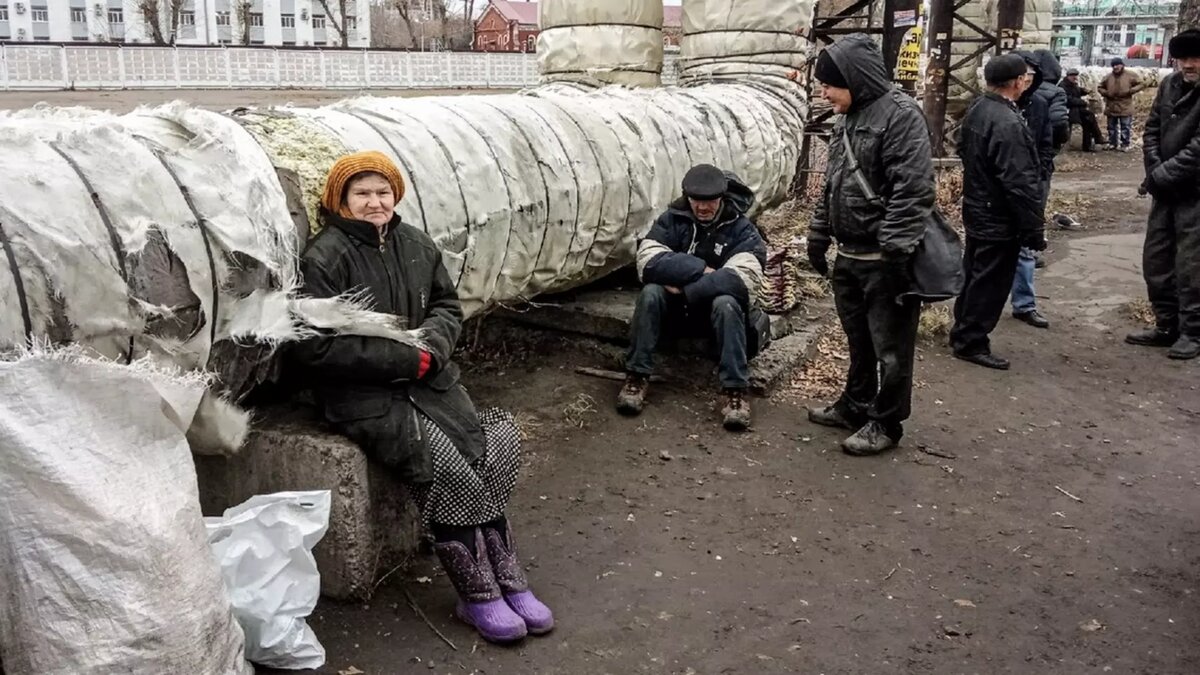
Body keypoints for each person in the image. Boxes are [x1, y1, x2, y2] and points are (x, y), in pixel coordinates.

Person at [292, 151, 553, 644]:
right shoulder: (324, 258)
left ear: (396, 195)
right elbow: (314, 346)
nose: (374, 202)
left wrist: (430, 347)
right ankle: (476, 594)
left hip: (428, 378)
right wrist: (402, 360)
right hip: (363, 394)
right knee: (446, 466)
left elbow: (446, 306)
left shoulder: (415, 243)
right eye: (362, 193)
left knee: (492, 447)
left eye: (382, 192)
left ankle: (507, 574)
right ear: (340, 200)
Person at [804, 34, 935, 456]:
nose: (823, 92)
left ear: (854, 80)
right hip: (850, 254)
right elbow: (832, 183)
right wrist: (819, 232)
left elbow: (912, 192)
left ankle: (887, 422)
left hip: (884, 260)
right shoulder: (847, 117)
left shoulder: (900, 116)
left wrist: (896, 254)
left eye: (828, 84)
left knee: (891, 349)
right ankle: (855, 403)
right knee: (857, 339)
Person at [617, 164, 769, 431]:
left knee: (727, 302)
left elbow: (741, 281)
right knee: (651, 292)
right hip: (675, 314)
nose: (701, 208)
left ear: (722, 198)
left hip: (716, 319)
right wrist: (703, 269)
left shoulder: (743, 230)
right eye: (696, 201)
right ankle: (637, 376)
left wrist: (687, 287)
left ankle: (734, 391)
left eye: (709, 202)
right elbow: (649, 263)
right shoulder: (672, 219)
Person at [950, 54, 1047, 370]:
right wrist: (1033, 227)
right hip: (999, 215)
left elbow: (960, 146)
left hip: (978, 206)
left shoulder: (979, 109)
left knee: (975, 274)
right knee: (990, 282)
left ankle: (963, 331)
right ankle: (971, 341)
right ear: (1018, 81)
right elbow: (1020, 180)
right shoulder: (1006, 121)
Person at [1129, 29, 1200, 360]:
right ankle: (1166, 325)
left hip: (1194, 195)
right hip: (1166, 192)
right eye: (1183, 58)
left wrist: (1160, 175)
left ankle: (1193, 333)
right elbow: (1151, 130)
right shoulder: (1168, 85)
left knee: (1192, 266)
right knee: (1156, 259)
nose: (1188, 64)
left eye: (1195, 58)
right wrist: (1156, 170)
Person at [1009, 50, 1062, 331]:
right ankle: (980, 303)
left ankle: (1024, 304)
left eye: (1029, 74)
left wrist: (1038, 175)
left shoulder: (1039, 105)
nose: (1024, 80)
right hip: (1000, 189)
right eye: (1020, 75)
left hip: (1032, 186)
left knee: (1027, 246)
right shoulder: (992, 106)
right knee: (990, 248)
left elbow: (1047, 143)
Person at [1099, 57, 1147, 152]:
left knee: (1125, 126)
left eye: (1117, 65)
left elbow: (1141, 84)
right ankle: (1112, 143)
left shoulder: (1130, 75)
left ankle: (1125, 144)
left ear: (1122, 65)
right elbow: (1100, 87)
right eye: (1113, 65)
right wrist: (1106, 93)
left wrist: (1131, 91)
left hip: (1125, 105)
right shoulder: (1108, 77)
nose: (1115, 67)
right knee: (1111, 127)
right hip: (1111, 105)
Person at [1061, 67, 1107, 152]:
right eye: (1072, 76)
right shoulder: (1063, 86)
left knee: (1089, 119)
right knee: (1089, 117)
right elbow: (1068, 100)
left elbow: (1077, 91)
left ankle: (1090, 144)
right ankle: (1097, 139)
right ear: (1068, 76)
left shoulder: (1072, 84)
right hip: (1069, 111)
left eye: (1075, 75)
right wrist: (1083, 101)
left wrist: (1086, 91)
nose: (1075, 77)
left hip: (1077, 110)